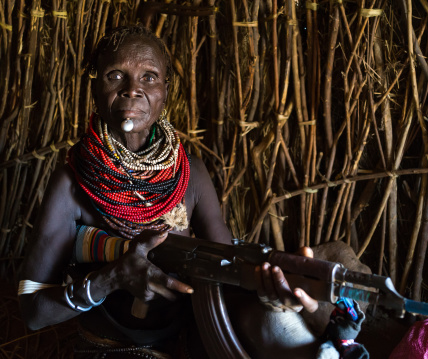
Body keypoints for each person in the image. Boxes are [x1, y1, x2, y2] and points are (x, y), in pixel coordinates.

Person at [18, 25, 320, 359]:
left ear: (165, 90)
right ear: (94, 85)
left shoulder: (190, 173)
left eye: (149, 77)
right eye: (115, 75)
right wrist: (112, 277)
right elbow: (34, 313)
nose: (132, 90)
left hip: (188, 341)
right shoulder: (72, 180)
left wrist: (271, 288)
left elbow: (225, 267)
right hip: (110, 349)